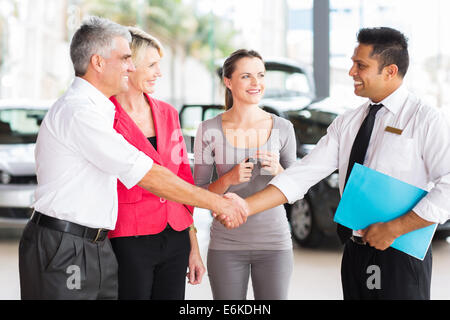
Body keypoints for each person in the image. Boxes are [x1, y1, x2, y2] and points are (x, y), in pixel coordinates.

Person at [18, 16, 247, 300]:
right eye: (126, 58)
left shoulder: (99, 109)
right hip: (68, 243)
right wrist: (219, 203)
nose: (130, 66)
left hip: (95, 243)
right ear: (98, 62)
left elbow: (174, 174)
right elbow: (148, 174)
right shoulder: (80, 113)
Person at [221, 27, 450, 300]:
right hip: (355, 250)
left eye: (360, 65)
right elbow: (302, 174)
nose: (351, 72)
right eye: (353, 63)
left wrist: (395, 228)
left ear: (390, 71)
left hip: (398, 253)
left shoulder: (425, 119)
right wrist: (244, 207)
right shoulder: (349, 121)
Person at [108, 27, 205, 300]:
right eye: (152, 65)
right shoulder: (104, 116)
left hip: (175, 236)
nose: (158, 73)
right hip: (128, 237)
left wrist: (193, 246)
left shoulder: (169, 113)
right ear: (129, 65)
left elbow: (183, 180)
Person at [194, 49, 297, 300]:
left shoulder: (283, 128)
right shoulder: (208, 129)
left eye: (261, 75)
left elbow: (295, 191)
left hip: (274, 244)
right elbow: (198, 194)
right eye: (246, 76)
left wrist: (280, 172)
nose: (256, 83)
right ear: (228, 82)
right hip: (226, 245)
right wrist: (229, 178)